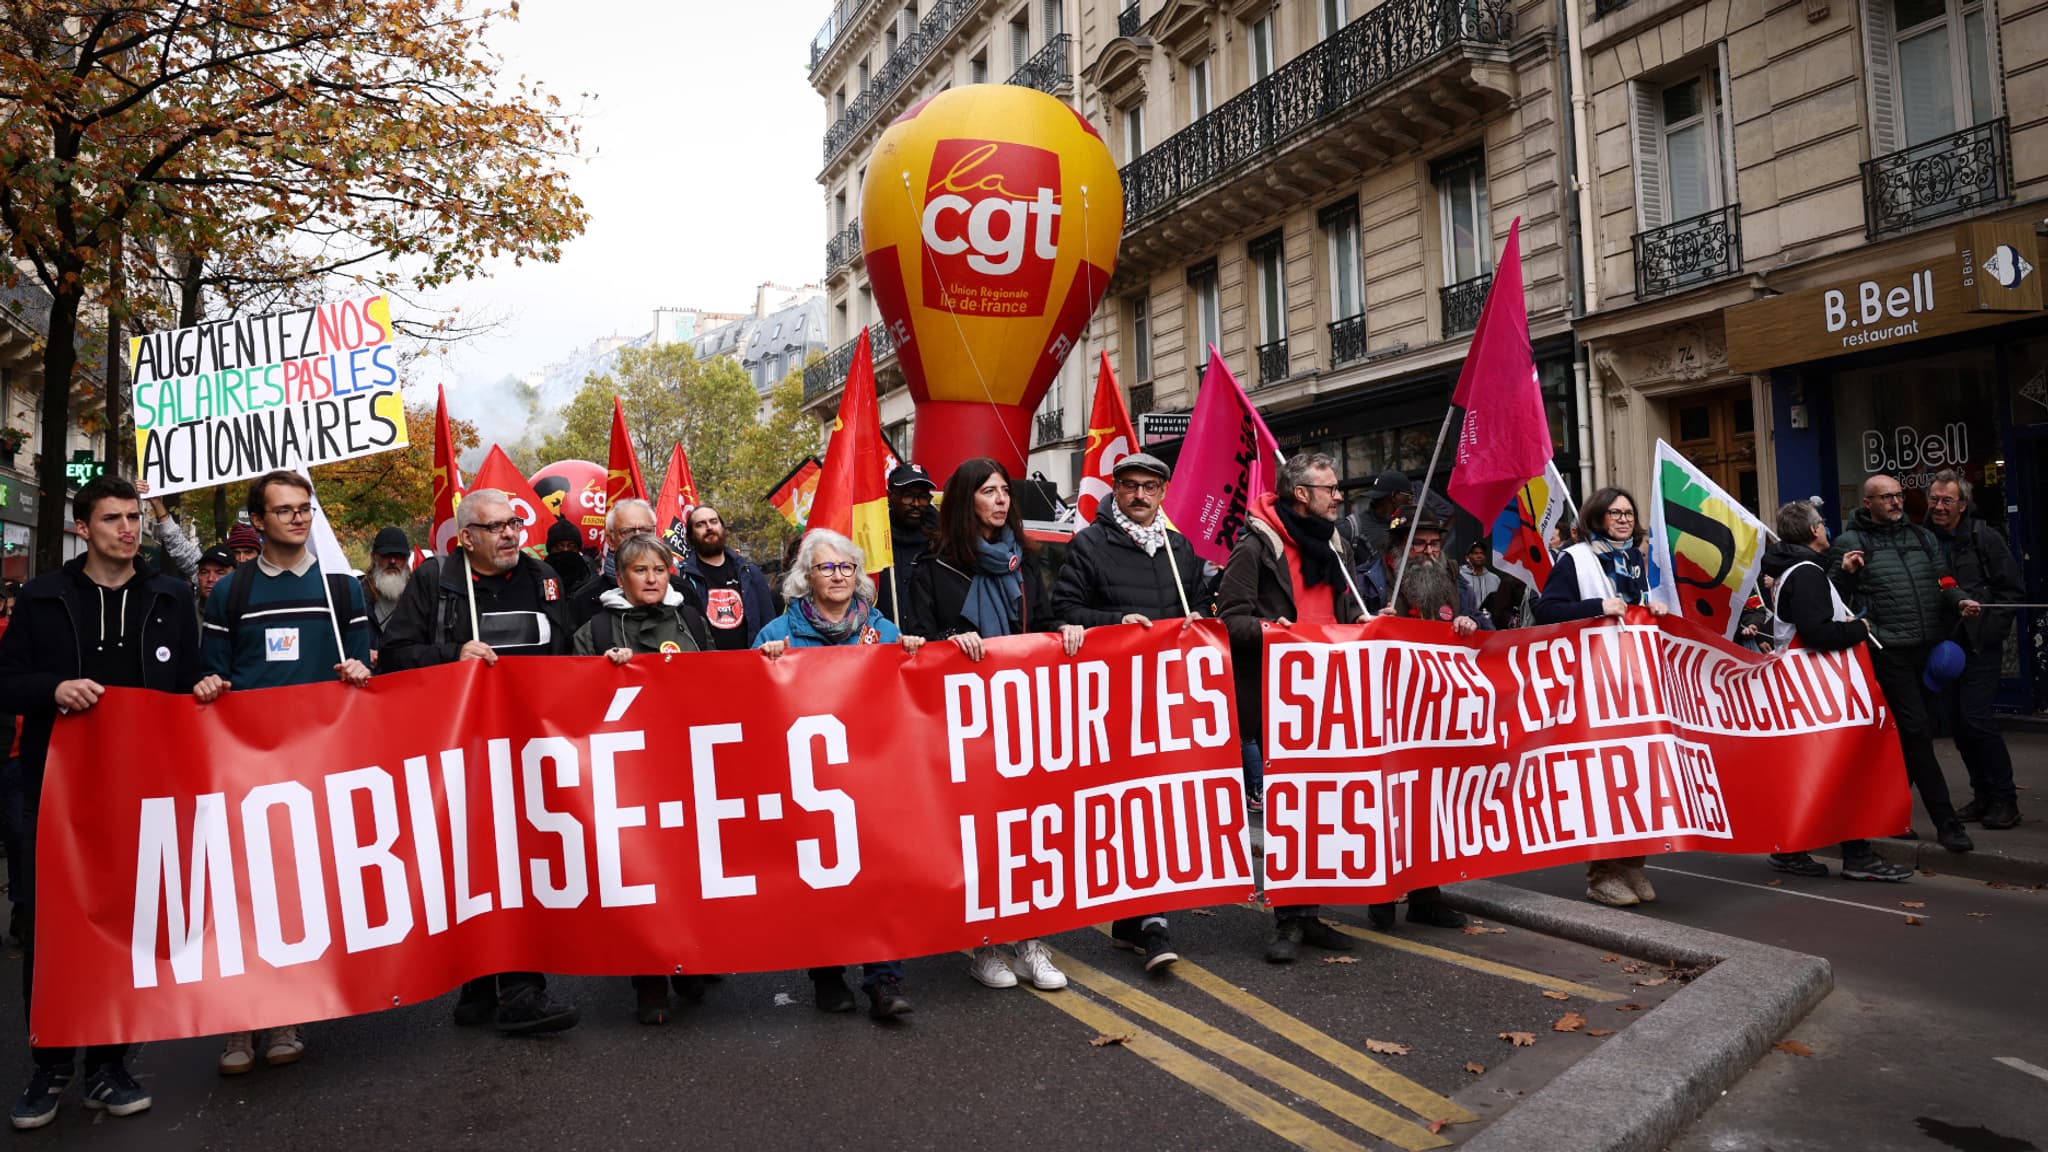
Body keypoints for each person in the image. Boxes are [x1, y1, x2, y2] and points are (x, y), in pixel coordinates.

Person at [0, 475, 200, 1128]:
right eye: (113, 518)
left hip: (140, 790)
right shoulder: (42, 597)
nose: (128, 529)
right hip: (55, 790)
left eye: (135, 517)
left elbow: (189, 675)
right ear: (82, 527)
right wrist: (54, 688)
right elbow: (7, 682)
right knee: (51, 924)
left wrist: (206, 685)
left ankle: (110, 1066)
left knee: (128, 923)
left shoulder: (168, 595)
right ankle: (50, 1063)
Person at [380, 489, 581, 1034]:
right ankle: (486, 987)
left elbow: (564, 658)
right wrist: (451, 656)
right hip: (461, 748)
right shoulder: (438, 582)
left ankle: (515, 990)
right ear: (466, 538)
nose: (509, 534)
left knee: (518, 864)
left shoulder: (544, 580)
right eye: (494, 527)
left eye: (513, 523)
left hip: (526, 747)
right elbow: (393, 657)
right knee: (474, 865)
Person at [195, 471, 373, 1075]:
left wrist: (357, 672)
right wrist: (210, 685)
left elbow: (366, 668)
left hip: (319, 765)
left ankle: (286, 1016)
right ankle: (238, 1025)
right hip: (247, 765)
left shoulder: (341, 589)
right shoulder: (232, 594)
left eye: (305, 508)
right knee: (242, 895)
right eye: (284, 510)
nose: (298, 519)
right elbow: (211, 677)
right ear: (260, 520)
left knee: (298, 894)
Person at [904, 458, 1084, 991]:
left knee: (1026, 835)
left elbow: (1045, 625)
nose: (1002, 500)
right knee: (978, 839)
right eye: (989, 491)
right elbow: (915, 645)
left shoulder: (1022, 566)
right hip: (962, 728)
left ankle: (1029, 940)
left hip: (1021, 721)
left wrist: (1065, 630)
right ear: (966, 502)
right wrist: (946, 648)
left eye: (1005, 491)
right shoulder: (932, 571)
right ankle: (983, 944)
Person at [756, 529, 926, 1018]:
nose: (838, 576)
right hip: (811, 783)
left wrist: (915, 654)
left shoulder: (887, 632)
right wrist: (761, 666)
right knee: (821, 882)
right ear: (805, 577)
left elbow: (914, 696)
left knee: (880, 879)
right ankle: (828, 975)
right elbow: (752, 709)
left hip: (874, 776)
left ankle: (884, 980)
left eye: (846, 567)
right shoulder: (775, 636)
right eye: (826, 567)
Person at [1049, 451, 1201, 973]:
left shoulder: (1180, 547)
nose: (1140, 495)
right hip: (1112, 702)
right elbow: (1064, 611)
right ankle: (1147, 923)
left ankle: (1140, 922)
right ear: (1116, 489)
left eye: (1150, 487)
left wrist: (1198, 620)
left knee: (1159, 809)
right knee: (1129, 810)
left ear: (1162, 492)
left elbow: (1193, 606)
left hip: (1169, 699)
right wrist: (1117, 621)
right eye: (1130, 486)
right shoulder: (1090, 543)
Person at [1217, 452, 1368, 964]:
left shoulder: (1334, 544)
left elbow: (1344, 612)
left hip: (1328, 694)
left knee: (1321, 805)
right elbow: (1231, 621)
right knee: (1287, 809)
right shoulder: (1258, 544)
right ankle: (1286, 919)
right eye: (1330, 488)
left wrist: (1373, 623)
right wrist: (1276, 636)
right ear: (1301, 493)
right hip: (1278, 696)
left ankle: (1309, 913)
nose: (1339, 496)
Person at [569, 535, 713, 1024]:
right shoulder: (598, 629)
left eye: (659, 569)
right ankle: (650, 982)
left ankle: (690, 960)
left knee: (689, 870)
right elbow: (575, 700)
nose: (651, 578)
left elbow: (720, 681)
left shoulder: (690, 621)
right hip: (629, 774)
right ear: (621, 576)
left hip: (686, 765)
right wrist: (603, 675)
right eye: (640, 571)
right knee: (641, 876)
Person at [1759, 501, 1915, 883]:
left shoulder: (1791, 570)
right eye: (1823, 524)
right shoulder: (1808, 571)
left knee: (1823, 770)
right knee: (1846, 767)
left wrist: (1841, 589)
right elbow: (1818, 631)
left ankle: (1793, 850)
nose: (1826, 529)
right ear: (1814, 531)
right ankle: (1858, 856)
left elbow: (1812, 614)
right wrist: (1858, 630)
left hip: (1805, 688)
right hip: (1824, 690)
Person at [1534, 486, 1671, 907]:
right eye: (1615, 513)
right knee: (1607, 780)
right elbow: (1547, 611)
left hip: (1639, 686)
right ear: (1597, 518)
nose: (1624, 520)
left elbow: (1638, 611)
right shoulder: (1575, 559)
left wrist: (1654, 610)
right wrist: (1597, 605)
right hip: (1595, 688)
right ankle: (1602, 873)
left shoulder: (1637, 560)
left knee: (1644, 777)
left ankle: (1633, 863)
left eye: (1628, 513)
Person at [1829, 473, 1976, 854]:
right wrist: (1845, 573)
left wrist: (1958, 599)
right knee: (1917, 731)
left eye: (1898, 496)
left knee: (1914, 736)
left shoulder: (1922, 537)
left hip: (1929, 648)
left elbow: (1943, 579)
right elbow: (1832, 599)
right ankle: (1947, 823)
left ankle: (1888, 811)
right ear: (1868, 504)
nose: (1895, 503)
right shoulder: (1851, 542)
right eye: (1886, 498)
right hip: (1888, 649)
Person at [1362, 509, 1476, 931]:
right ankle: (1383, 894)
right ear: (1399, 548)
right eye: (1420, 544)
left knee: (1432, 806)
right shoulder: (1370, 580)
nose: (1428, 552)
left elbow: (1478, 624)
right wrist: (1373, 624)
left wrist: (1471, 622)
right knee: (1387, 804)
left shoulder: (1452, 577)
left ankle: (1427, 896)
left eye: (1434, 544)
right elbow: (1348, 628)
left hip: (1436, 710)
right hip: (1386, 709)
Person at [1923, 470, 2022, 830]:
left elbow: (2011, 592)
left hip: (1978, 646)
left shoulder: (1984, 538)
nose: (1939, 506)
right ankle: (1982, 796)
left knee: (1976, 720)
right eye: (1934, 498)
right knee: (1957, 725)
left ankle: (2005, 799)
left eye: (1947, 500)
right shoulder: (1922, 538)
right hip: (1941, 650)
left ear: (1962, 505)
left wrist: (1985, 629)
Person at [677, 503, 776, 650]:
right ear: (690, 536)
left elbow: (769, 624)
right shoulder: (681, 577)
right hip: (705, 666)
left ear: (723, 529)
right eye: (700, 524)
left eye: (714, 521)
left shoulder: (750, 573)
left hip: (751, 664)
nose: (709, 527)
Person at [570, 498, 659, 628]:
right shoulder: (584, 600)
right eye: (627, 531)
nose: (638, 537)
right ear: (611, 541)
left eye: (646, 530)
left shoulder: (681, 593)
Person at [874, 462, 938, 622]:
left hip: (930, 641)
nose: (916, 504)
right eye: (908, 496)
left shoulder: (942, 542)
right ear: (890, 497)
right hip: (885, 638)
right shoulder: (874, 538)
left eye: (923, 497)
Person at [1340, 468, 1414, 572]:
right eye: (1409, 496)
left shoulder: (1408, 526)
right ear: (1394, 496)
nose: (1411, 502)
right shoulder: (1352, 528)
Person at [363, 526, 413, 665]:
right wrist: (362, 653)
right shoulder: (357, 597)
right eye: (387, 555)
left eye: (398, 556)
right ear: (374, 557)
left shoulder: (418, 597)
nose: (392, 561)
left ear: (407, 558)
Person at [1460, 540, 1506, 629]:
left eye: (1481, 553)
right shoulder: (1460, 576)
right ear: (1467, 557)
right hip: (1468, 624)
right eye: (1475, 553)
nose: (1479, 556)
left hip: (1491, 624)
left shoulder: (1495, 578)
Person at [544, 516, 592, 592]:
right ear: (550, 549)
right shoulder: (541, 575)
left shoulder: (589, 576)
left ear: (578, 549)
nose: (565, 550)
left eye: (571, 546)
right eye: (559, 546)